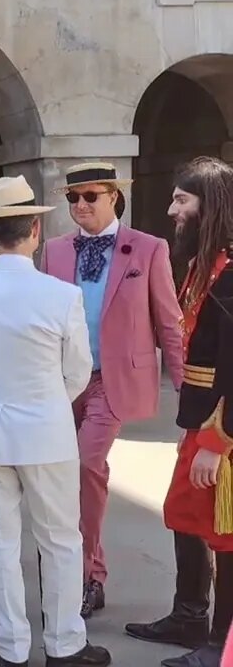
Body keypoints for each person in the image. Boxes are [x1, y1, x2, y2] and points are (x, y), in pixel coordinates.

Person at [0, 175, 110, 667]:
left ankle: (10, 646)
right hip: (47, 429)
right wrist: (46, 402)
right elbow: (78, 371)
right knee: (60, 539)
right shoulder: (61, 296)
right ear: (35, 229)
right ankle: (64, 643)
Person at [39, 162, 186, 618]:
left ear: (113, 198)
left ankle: (84, 578)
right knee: (66, 476)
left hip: (113, 380)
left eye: (90, 197)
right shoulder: (54, 251)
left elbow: (168, 320)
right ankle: (83, 570)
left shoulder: (148, 248)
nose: (80, 206)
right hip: (63, 381)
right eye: (73, 198)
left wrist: (190, 393)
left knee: (85, 464)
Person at [144, 156, 233, 667]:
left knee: (225, 536)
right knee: (183, 515)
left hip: (223, 428)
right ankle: (189, 615)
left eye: (182, 199)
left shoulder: (231, 274)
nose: (171, 208)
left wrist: (217, 440)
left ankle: (221, 643)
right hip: (200, 421)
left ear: (209, 205)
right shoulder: (206, 266)